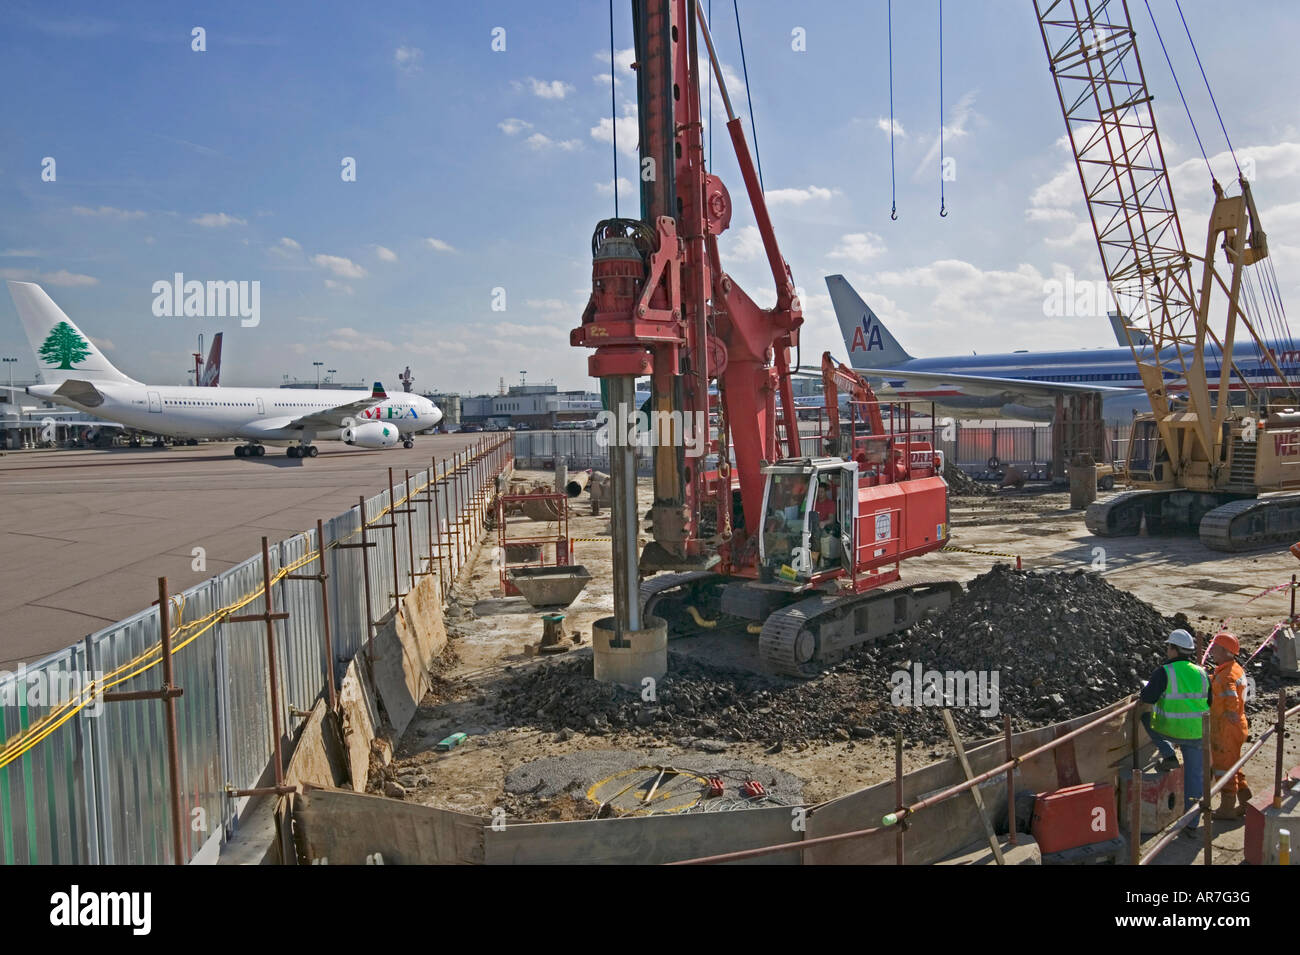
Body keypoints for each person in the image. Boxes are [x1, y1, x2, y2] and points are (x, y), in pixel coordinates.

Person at [1139, 628, 1210, 836]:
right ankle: (1192, 823)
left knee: (1145, 718)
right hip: (1197, 732)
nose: (1167, 650)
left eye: (1168, 647)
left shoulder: (1164, 672)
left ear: (1174, 649)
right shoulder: (1202, 672)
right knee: (1194, 778)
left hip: (1169, 730)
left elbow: (1148, 698)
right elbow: (1210, 701)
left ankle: (1168, 754)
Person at [1207, 631, 1252, 819]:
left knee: (1223, 767)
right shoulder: (1235, 668)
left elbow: (1230, 693)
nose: (1212, 651)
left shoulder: (1226, 676)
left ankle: (1227, 808)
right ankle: (1246, 802)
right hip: (1237, 726)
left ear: (1226, 651)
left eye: (1215, 648)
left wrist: (1230, 712)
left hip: (1226, 727)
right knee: (1234, 765)